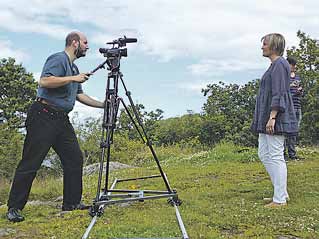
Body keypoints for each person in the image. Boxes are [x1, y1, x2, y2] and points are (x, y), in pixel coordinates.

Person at [6, 31, 104, 222]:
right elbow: (45, 81)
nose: (87, 46)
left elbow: (79, 95)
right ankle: (14, 208)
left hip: (61, 120)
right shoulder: (59, 59)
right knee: (31, 162)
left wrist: (103, 105)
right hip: (43, 115)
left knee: (74, 158)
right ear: (75, 43)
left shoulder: (74, 69)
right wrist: (72, 79)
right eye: (85, 42)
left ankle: (71, 203)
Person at [251, 33, 298, 208]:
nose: (262, 46)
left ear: (274, 45)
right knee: (264, 153)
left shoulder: (280, 64)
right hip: (267, 117)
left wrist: (272, 117)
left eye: (265, 43)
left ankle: (279, 200)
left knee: (276, 155)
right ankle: (281, 193)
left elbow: (279, 93)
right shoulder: (274, 65)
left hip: (275, 117)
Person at [284, 56, 303, 160]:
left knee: (294, 131)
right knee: (285, 131)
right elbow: (284, 94)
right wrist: (294, 93)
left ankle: (292, 154)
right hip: (287, 108)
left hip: (297, 106)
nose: (294, 67)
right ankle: (283, 154)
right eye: (293, 65)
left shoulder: (297, 77)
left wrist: (300, 92)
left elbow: (300, 92)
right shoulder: (284, 77)